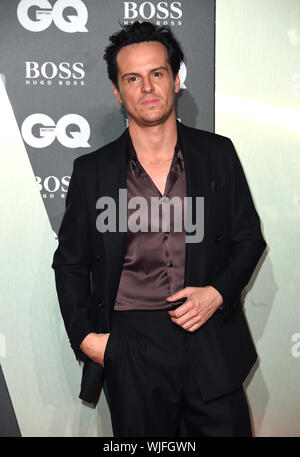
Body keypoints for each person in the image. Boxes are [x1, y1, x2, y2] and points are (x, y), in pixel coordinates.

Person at [52, 21, 267, 437]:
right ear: (118, 90)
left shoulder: (217, 154)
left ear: (176, 79)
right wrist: (87, 338)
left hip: (208, 334)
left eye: (157, 73)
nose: (147, 87)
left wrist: (217, 292)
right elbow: (70, 263)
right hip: (131, 344)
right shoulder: (92, 172)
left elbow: (248, 238)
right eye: (132, 78)